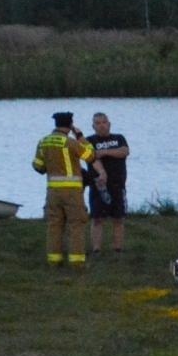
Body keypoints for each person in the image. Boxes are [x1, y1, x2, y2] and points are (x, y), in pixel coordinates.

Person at [32, 111, 103, 267]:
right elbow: (91, 156)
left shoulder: (43, 142)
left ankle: (54, 261)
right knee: (76, 224)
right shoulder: (70, 143)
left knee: (54, 224)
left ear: (56, 124)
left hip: (52, 192)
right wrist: (81, 136)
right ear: (70, 125)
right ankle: (77, 263)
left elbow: (38, 167)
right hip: (72, 192)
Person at [87, 111, 130, 252]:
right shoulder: (90, 141)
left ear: (109, 124)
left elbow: (124, 151)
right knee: (97, 218)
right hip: (98, 185)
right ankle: (96, 248)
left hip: (118, 184)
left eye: (104, 122)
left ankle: (118, 248)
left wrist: (106, 152)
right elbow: (91, 158)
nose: (102, 126)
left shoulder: (119, 138)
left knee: (118, 218)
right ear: (93, 126)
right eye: (98, 123)